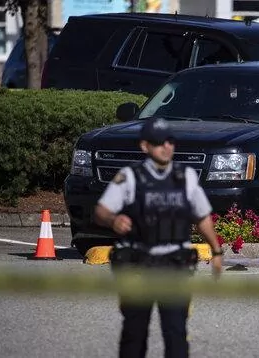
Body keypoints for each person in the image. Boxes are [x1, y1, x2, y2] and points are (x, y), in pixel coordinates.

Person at [94, 117, 223, 358]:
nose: (167, 147)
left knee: (175, 332)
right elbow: (101, 210)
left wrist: (216, 250)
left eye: (170, 141)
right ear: (145, 146)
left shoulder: (186, 177)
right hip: (137, 265)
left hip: (173, 265)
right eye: (159, 142)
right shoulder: (130, 177)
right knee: (134, 332)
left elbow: (202, 217)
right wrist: (113, 220)